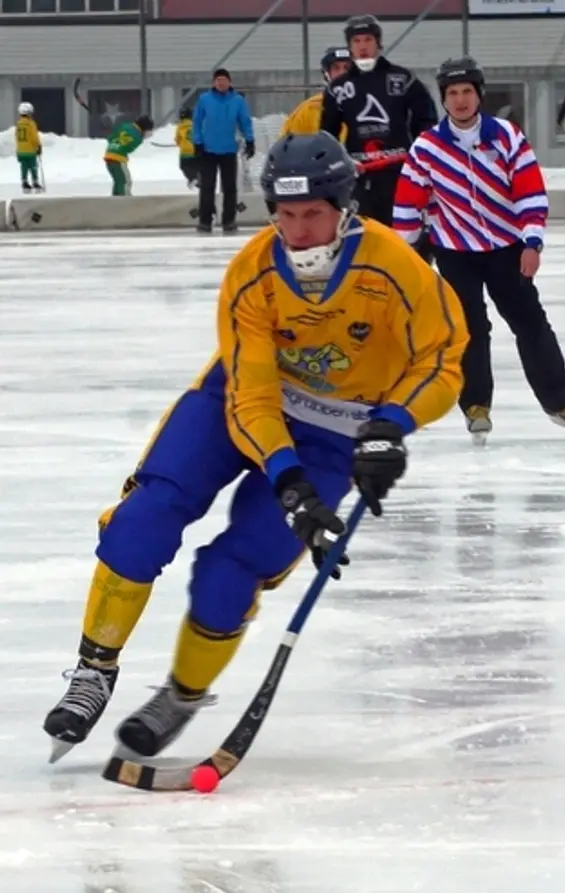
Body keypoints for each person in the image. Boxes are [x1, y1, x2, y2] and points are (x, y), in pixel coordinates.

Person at [43, 131, 468, 763]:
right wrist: (286, 479)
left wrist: (391, 425)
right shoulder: (253, 272)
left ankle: (182, 694)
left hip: (338, 431)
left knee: (235, 567)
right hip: (240, 402)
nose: (297, 232)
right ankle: (94, 667)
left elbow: (443, 360)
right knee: (146, 517)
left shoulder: (394, 267)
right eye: (285, 215)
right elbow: (252, 396)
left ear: (344, 208)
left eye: (312, 215)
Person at [392, 57, 565, 444]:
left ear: (479, 95)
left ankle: (560, 402)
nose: (461, 99)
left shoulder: (506, 136)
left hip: (507, 248)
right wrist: (403, 256)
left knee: (531, 323)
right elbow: (407, 205)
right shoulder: (428, 146)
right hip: (454, 251)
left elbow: (530, 191)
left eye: (467, 91)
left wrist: (532, 242)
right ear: (444, 99)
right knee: (469, 329)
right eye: (452, 93)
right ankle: (476, 406)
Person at [320, 14, 438, 226]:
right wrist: (339, 165)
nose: (362, 46)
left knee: (407, 235)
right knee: (364, 237)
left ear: (378, 43)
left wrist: (422, 160)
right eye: (356, 41)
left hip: (401, 174)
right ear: (349, 46)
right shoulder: (337, 88)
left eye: (368, 40)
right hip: (359, 177)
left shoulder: (403, 78)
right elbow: (327, 134)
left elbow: (426, 120)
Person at [193, 68, 255, 234]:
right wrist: (197, 142)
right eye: (218, 80)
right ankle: (205, 221)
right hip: (208, 149)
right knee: (207, 187)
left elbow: (244, 121)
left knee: (229, 187)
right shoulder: (204, 99)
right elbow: (197, 121)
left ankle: (229, 220)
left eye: (224, 80)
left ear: (229, 82)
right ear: (214, 83)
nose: (221, 83)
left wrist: (250, 139)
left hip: (228, 149)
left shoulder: (237, 100)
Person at [280, 46, 351, 138]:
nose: (342, 74)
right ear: (326, 74)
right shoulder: (310, 109)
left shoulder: (369, 105)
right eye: (336, 68)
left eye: (347, 68)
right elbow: (288, 145)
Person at [104, 114, 154, 196]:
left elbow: (110, 138)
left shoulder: (125, 126)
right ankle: (124, 201)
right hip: (118, 158)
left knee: (118, 181)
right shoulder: (138, 136)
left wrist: (116, 143)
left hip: (109, 156)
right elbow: (130, 148)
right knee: (125, 181)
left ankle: (115, 199)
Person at [15, 101, 43, 193]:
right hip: (30, 150)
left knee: (24, 166)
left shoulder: (18, 124)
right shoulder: (31, 123)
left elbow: (16, 137)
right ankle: (35, 181)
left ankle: (24, 181)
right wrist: (38, 146)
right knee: (33, 166)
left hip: (20, 150)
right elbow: (34, 136)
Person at [174, 106, 199, 189]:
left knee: (184, 166)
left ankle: (192, 178)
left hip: (185, 151)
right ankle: (197, 180)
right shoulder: (195, 125)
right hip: (195, 150)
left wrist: (180, 143)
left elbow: (177, 140)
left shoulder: (180, 126)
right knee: (195, 167)